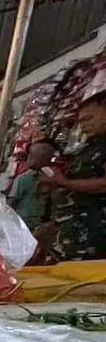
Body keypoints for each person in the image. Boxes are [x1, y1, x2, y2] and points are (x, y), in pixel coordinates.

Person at [41, 92, 106, 260]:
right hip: (71, 230)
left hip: (92, 232)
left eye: (88, 119)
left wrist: (63, 181)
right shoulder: (89, 147)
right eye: (80, 121)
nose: (83, 126)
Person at [8, 138, 57, 231]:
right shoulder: (54, 177)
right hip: (41, 224)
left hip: (21, 223)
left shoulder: (22, 179)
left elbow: (11, 203)